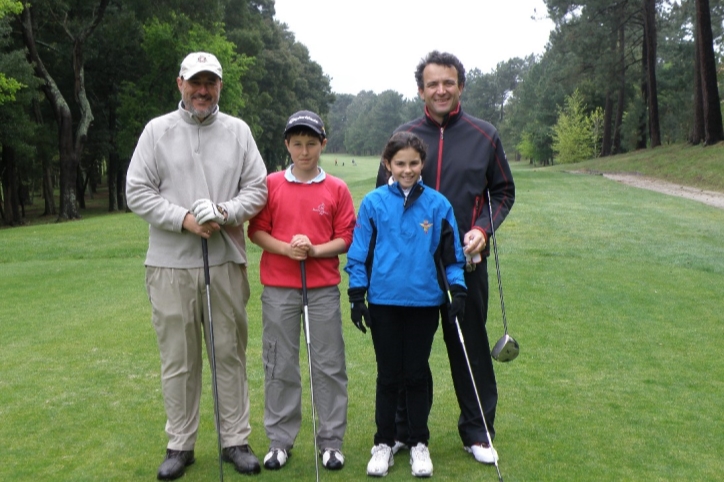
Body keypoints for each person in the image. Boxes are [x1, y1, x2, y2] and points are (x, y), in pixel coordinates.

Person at [126, 52, 268, 480]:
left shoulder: (238, 131)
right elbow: (137, 191)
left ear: (220, 86)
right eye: (195, 82)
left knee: (229, 354)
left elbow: (258, 190)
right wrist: (184, 219)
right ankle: (180, 444)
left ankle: (235, 440)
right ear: (180, 84)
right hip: (170, 264)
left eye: (211, 82)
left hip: (225, 260)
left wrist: (223, 212)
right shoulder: (157, 131)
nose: (203, 90)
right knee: (178, 359)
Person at [376, 51, 515, 465]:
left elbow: (503, 192)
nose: (441, 89)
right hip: (410, 270)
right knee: (406, 353)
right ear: (421, 89)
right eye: (433, 83)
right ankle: (402, 431)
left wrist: (483, 229)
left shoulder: (484, 134)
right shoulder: (404, 134)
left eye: (448, 82)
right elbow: (387, 196)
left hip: (465, 264)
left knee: (468, 348)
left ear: (460, 86)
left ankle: (477, 431)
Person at [347, 131, 467, 478]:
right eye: (400, 163)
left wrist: (457, 291)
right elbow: (359, 255)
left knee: (416, 374)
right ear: (388, 164)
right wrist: (357, 296)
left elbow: (452, 257)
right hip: (383, 302)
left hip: (424, 303)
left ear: (422, 163)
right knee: (388, 376)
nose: (407, 169)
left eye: (414, 162)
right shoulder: (373, 203)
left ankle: (418, 444)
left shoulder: (437, 204)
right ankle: (383, 443)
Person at [247, 110, 356, 472]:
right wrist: (286, 249)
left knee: (328, 364)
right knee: (279, 362)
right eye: (297, 144)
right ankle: (280, 440)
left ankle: (331, 442)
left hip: (322, 287)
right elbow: (257, 231)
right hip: (280, 287)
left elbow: (346, 238)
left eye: (311, 144)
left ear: (323, 144)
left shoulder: (336, 188)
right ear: (287, 145)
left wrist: (314, 250)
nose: (304, 151)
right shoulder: (271, 183)